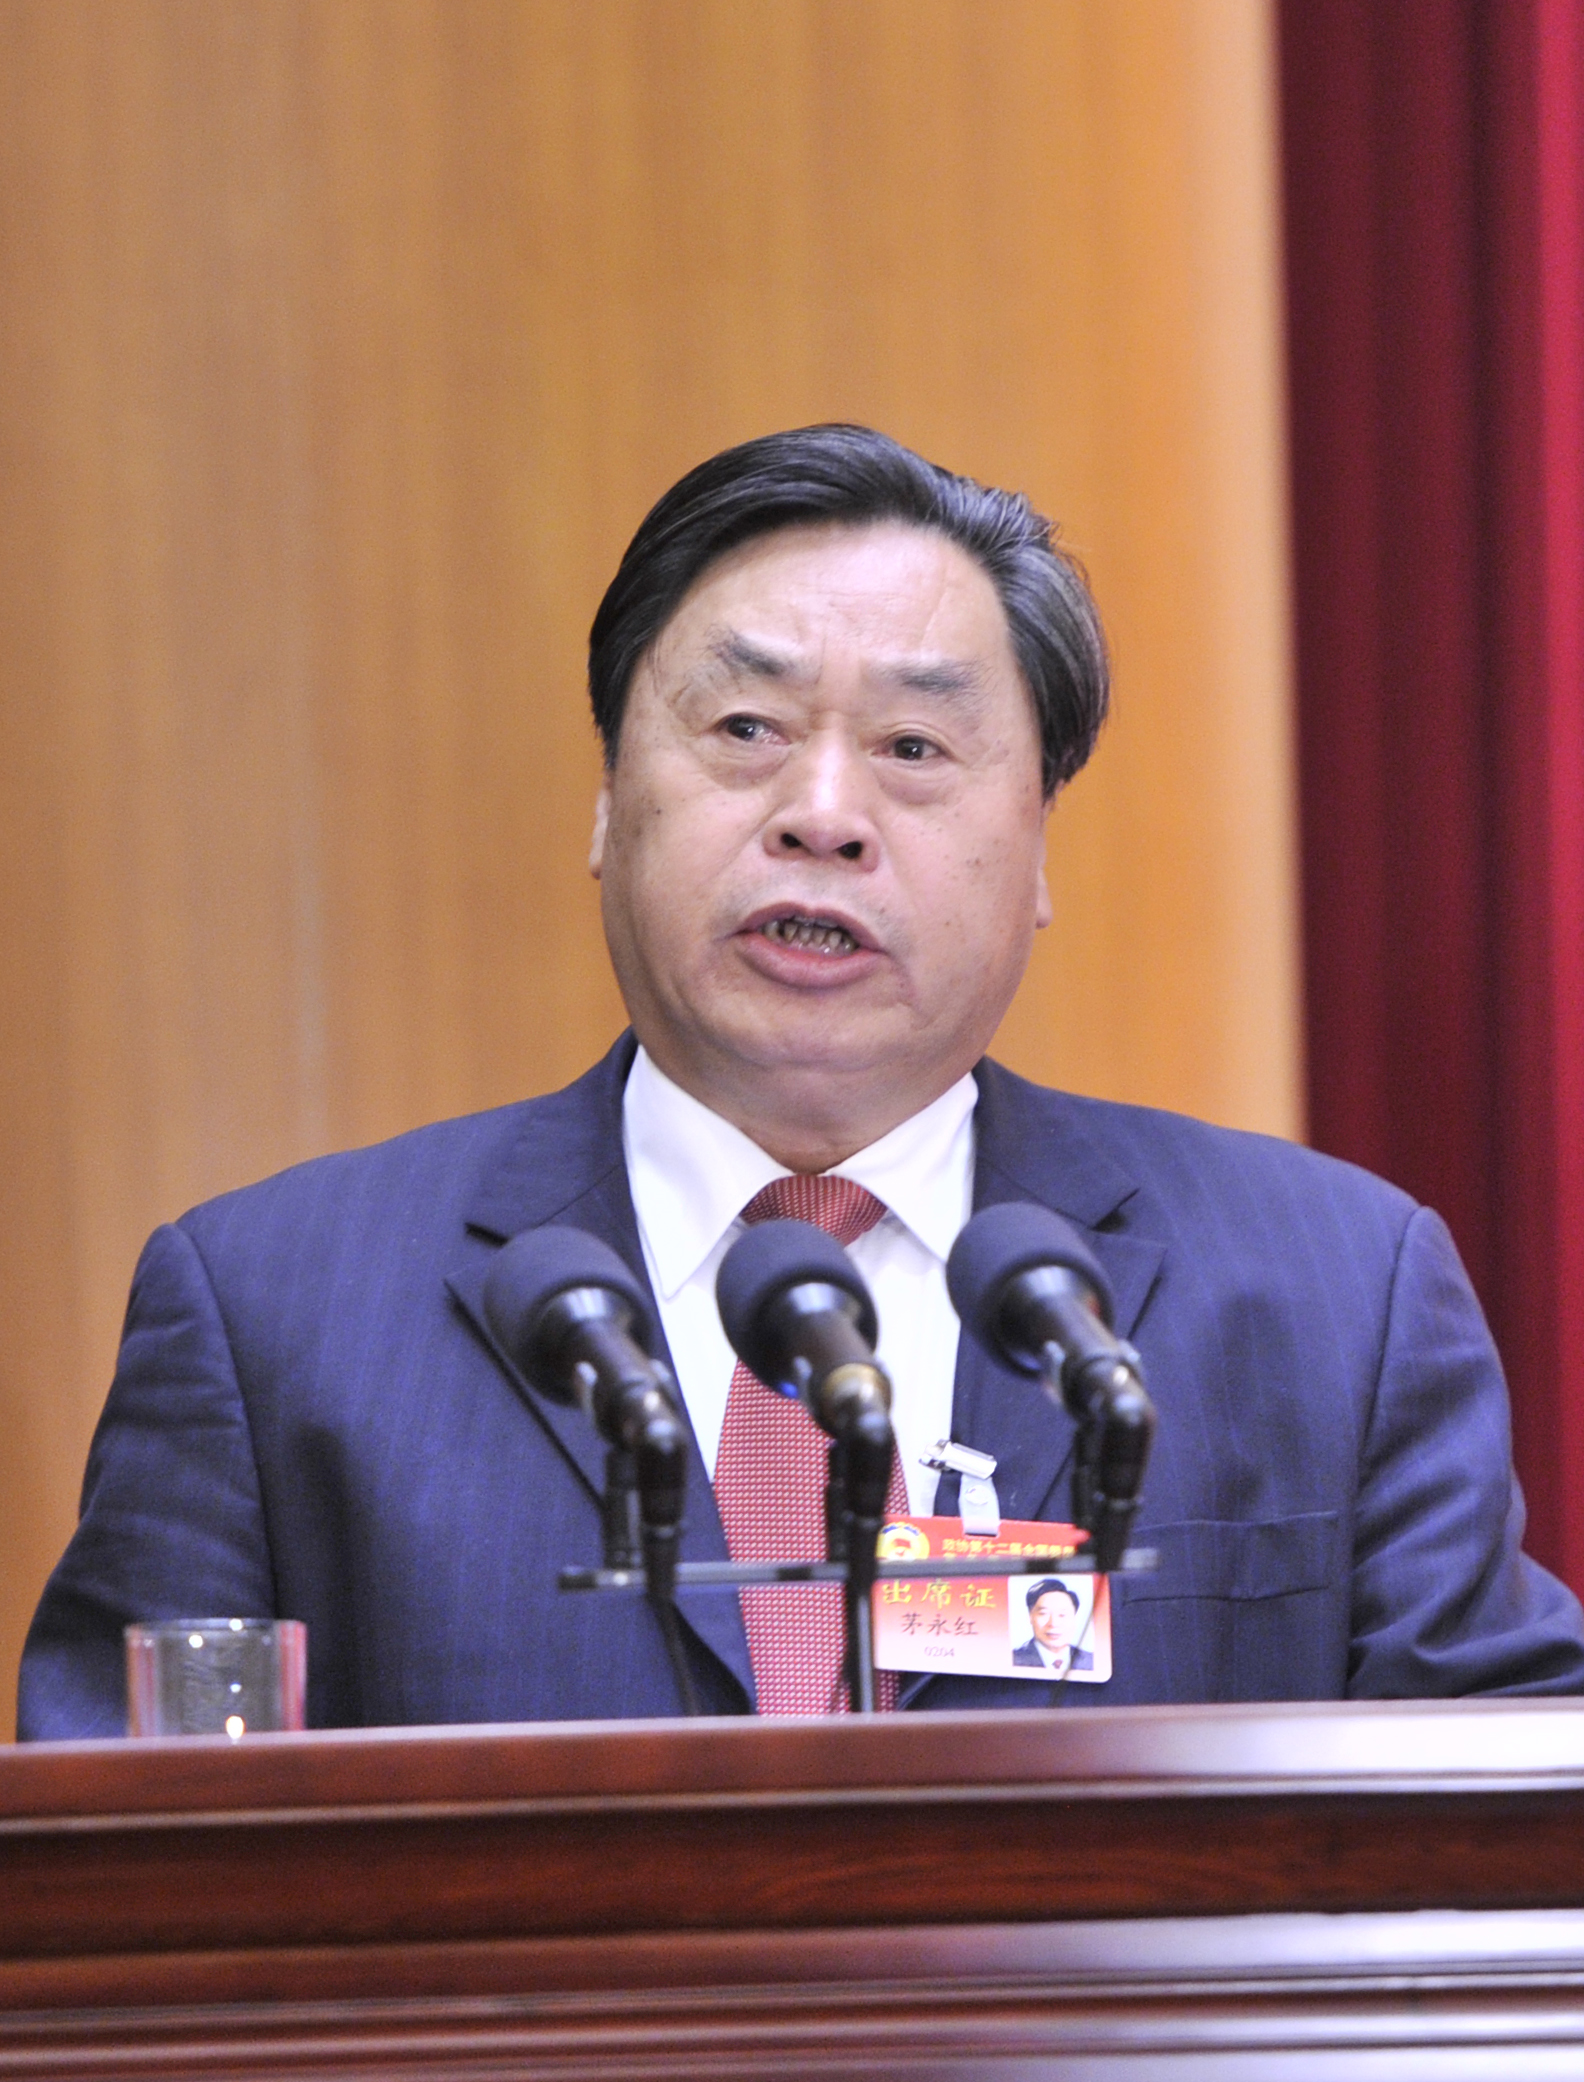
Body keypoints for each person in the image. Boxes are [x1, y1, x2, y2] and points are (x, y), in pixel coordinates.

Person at [19, 424, 1584, 1737]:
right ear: (606, 801)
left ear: (1039, 844)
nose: (822, 812)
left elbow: (1508, 1850)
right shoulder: (273, 1316)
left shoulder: (1336, 1297)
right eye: (746, 726)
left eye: (914, 749)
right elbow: (126, 1907)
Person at [1011, 1581, 1094, 1674]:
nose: (1053, 1623)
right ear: (1030, 1617)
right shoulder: (1012, 1660)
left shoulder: (1091, 1661)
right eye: (1043, 1613)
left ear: (1074, 1618)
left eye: (1062, 1615)